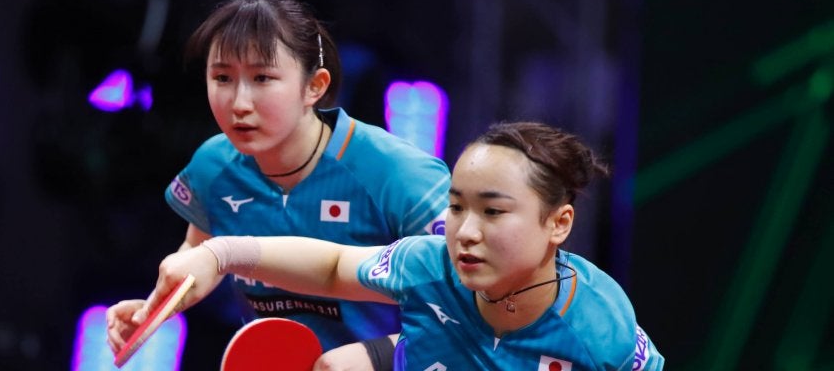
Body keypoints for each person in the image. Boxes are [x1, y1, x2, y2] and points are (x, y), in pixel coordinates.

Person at [128, 121, 666, 370]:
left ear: (558, 224)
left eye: (493, 211)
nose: (466, 231)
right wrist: (219, 253)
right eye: (456, 207)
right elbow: (334, 265)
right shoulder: (430, 265)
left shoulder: (602, 331)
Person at [105, 0, 450, 370]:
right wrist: (154, 309)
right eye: (222, 77)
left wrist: (378, 357)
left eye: (262, 78)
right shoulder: (213, 166)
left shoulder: (398, 174)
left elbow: (474, 304)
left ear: (314, 86)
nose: (239, 103)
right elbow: (198, 250)